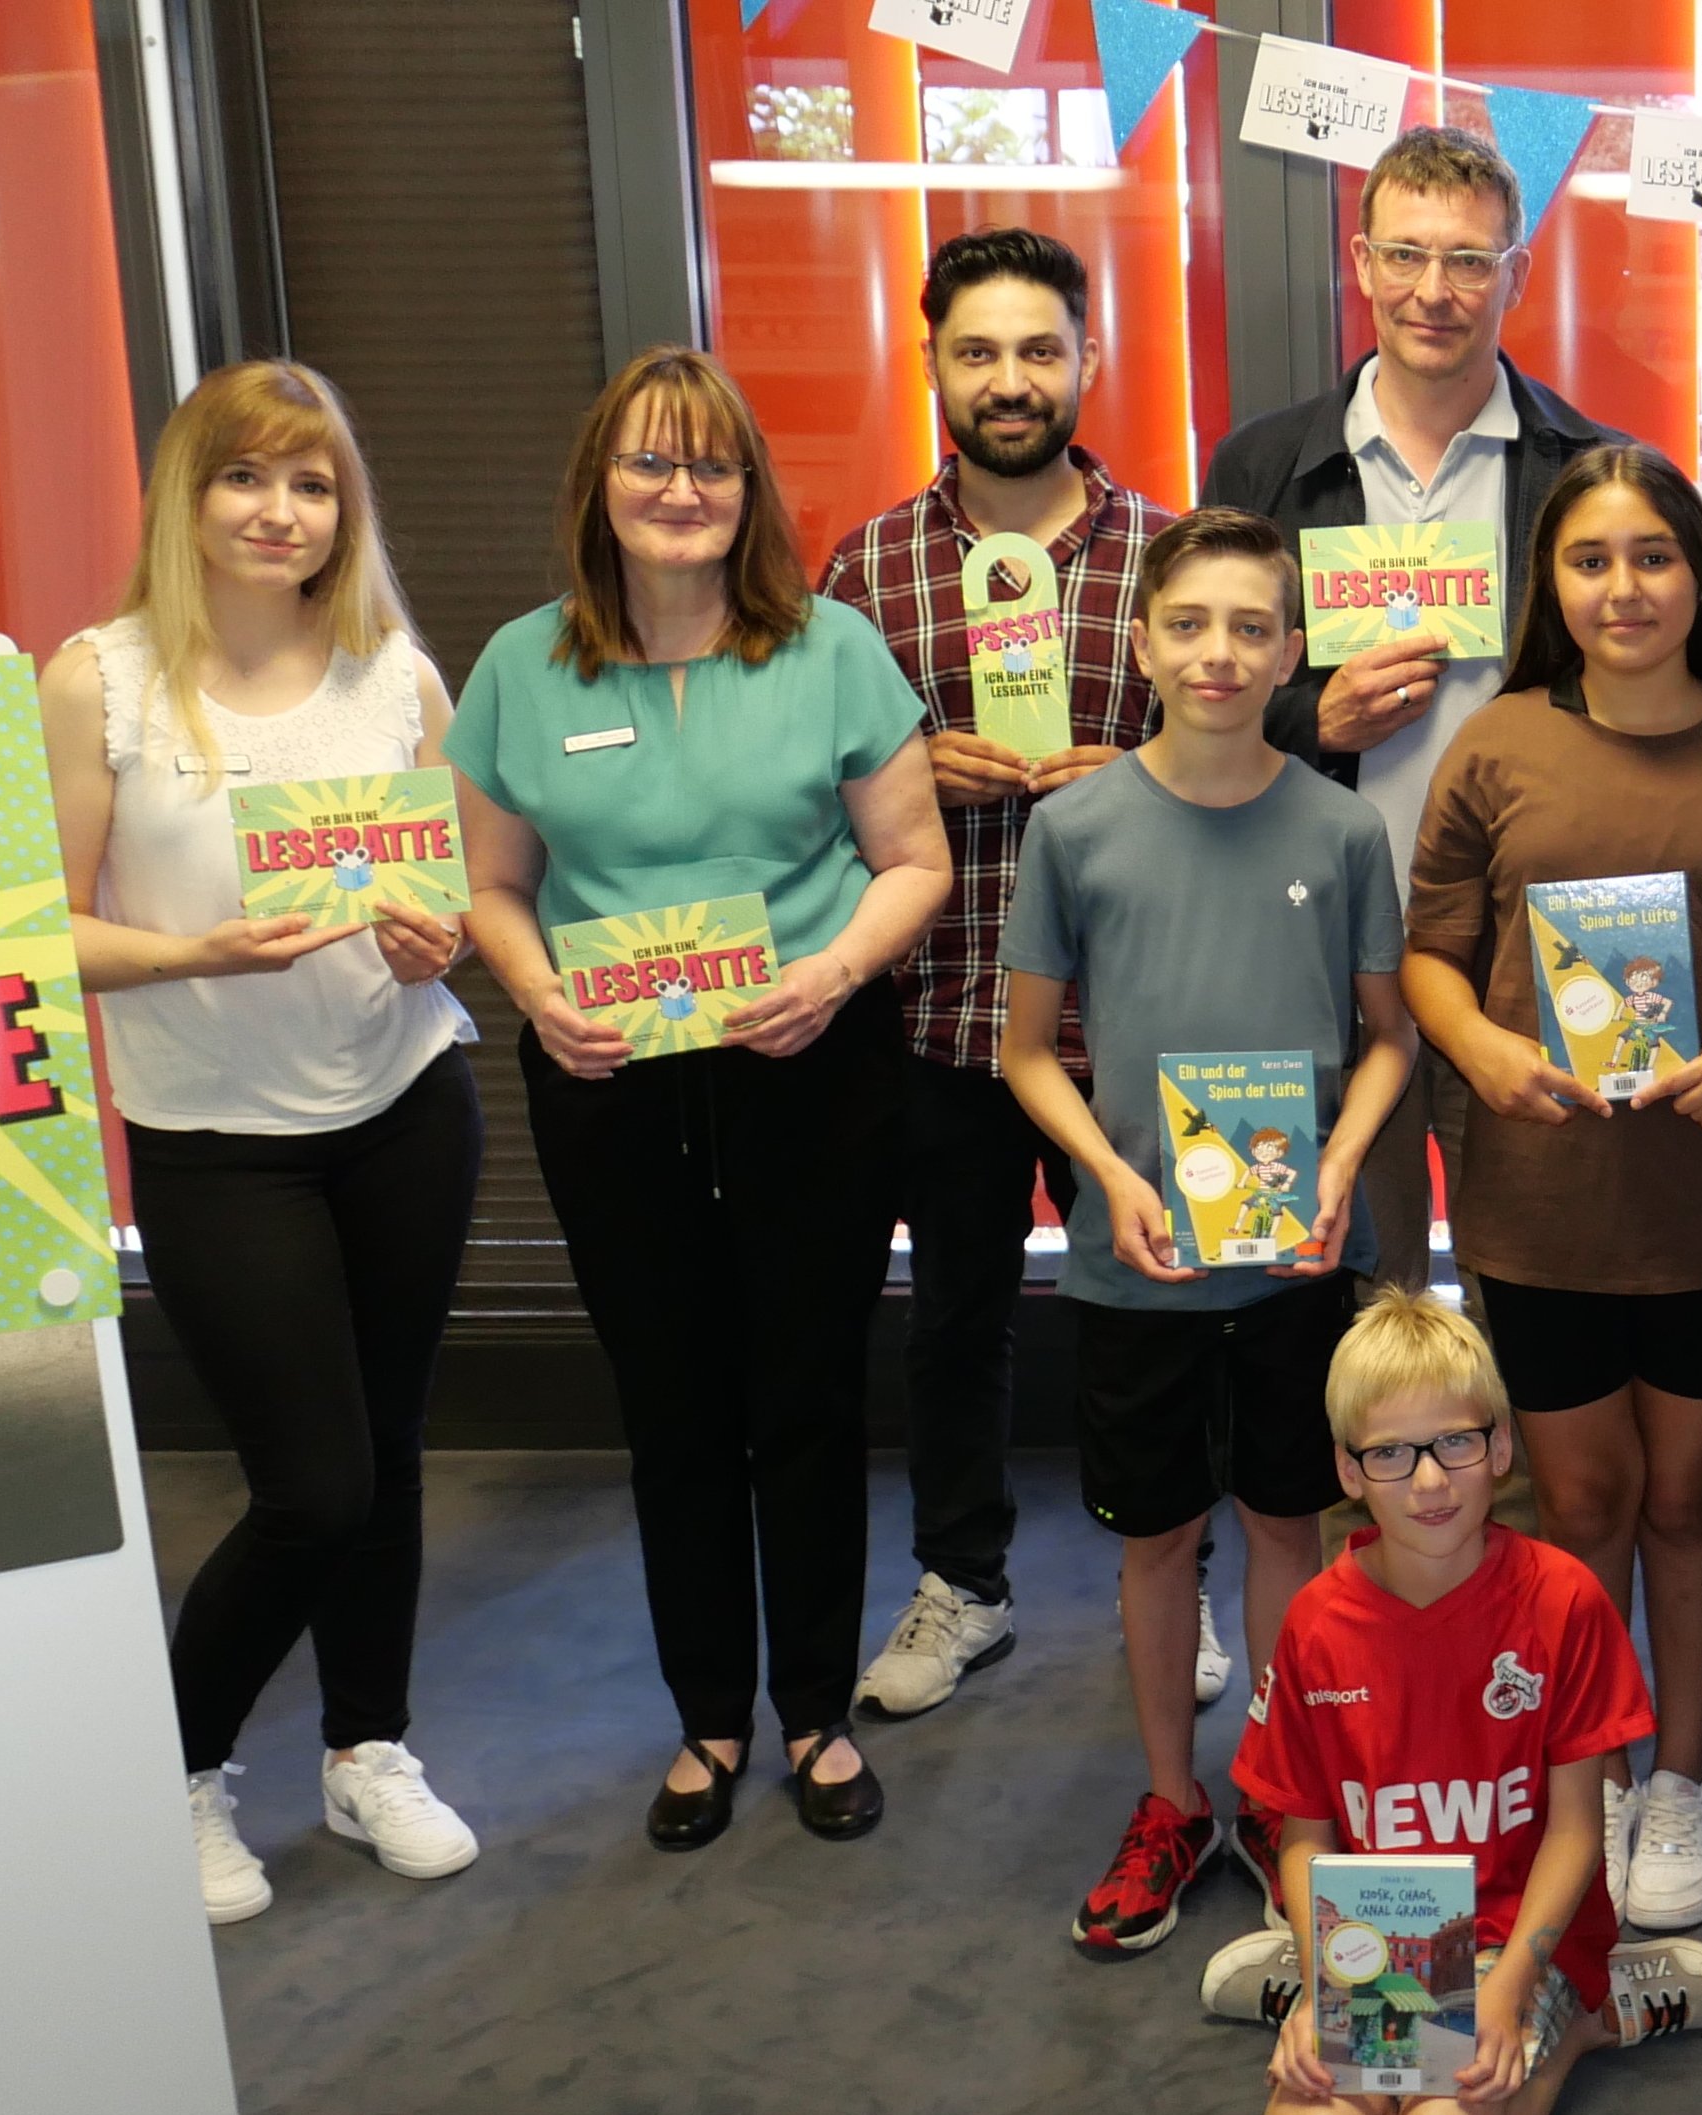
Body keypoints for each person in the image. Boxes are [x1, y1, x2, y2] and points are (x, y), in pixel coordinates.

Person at [450, 347, 949, 1848]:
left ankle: (814, 1711)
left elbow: (913, 862)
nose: (682, 490)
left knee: (805, 1397)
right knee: (672, 1412)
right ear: (599, 486)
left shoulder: (833, 649)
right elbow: (491, 886)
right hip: (610, 1086)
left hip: (811, 1070)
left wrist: (838, 976)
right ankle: (707, 1719)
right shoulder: (520, 667)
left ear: (749, 493)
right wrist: (537, 1000)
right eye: (651, 463)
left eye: (712, 465)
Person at [48, 360, 482, 1922]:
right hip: (216, 1136)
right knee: (314, 1482)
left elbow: (447, 902)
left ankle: (369, 1748)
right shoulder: (101, 679)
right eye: (247, 478)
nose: (279, 512)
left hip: (403, 1105)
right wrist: (195, 956)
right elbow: (35, 927)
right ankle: (181, 1765)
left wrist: (446, 946)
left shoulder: (395, 676)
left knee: (387, 1454)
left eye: (311, 486)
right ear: (189, 493)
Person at [1403, 442, 1702, 1934]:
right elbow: (1429, 958)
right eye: (1591, 560)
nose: (1624, 587)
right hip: (1544, 1189)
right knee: (1580, 1499)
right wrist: (1484, 1047)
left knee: (1692, 1496)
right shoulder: (1498, 744)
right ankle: (1582, 1771)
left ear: (1697, 577)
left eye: (1653, 555)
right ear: (1552, 586)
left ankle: (1678, 1783)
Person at [991, 509, 1413, 1953]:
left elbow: (1386, 1040)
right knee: (1158, 1534)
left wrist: (1346, 1159)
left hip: (1293, 1256)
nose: (1220, 654)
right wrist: (1108, 1171)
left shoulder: (1344, 825)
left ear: (1292, 650)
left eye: (1251, 628)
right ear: (1142, 642)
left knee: (1287, 1515)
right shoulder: (1075, 826)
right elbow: (1029, 1051)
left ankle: (1288, 1791)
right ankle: (1173, 1798)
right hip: (1138, 1258)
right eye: (1191, 625)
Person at [1203, 123, 1645, 1337]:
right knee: (1351, 1272)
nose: (1433, 292)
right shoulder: (1263, 464)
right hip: (1322, 936)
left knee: (1541, 1269)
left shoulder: (1588, 473)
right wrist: (1311, 713)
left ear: (1518, 272)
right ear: (1358, 261)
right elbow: (1197, 690)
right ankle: (1375, 1514)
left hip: (1521, 939)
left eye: (1467, 261)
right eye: (1405, 255)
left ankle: (1530, 1519)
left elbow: (1645, 695)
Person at [821, 227, 1176, 1726]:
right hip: (943, 1008)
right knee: (958, 1314)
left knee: (1156, 1311)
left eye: (1041, 349)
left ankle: (1173, 1572)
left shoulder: (1175, 552)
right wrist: (904, 780)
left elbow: (1251, 749)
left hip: (1134, 1012)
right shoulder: (867, 568)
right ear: (935, 367)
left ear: (1089, 361)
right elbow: (810, 798)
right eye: (980, 351)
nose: (1012, 380)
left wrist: (1143, 774)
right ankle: (963, 1582)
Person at [1234, 1286, 1702, 2115]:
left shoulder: (1562, 1602)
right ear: (1348, 1470)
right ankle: (1303, 1987)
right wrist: (1326, 1990)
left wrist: (1510, 1991)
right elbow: (1303, 1840)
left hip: (1519, 1936)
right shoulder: (1314, 1621)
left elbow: (1574, 1830)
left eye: (1456, 1443)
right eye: (1391, 1453)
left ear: (1502, 1448)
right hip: (1377, 1947)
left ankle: (1590, 2017)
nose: (1429, 1482)